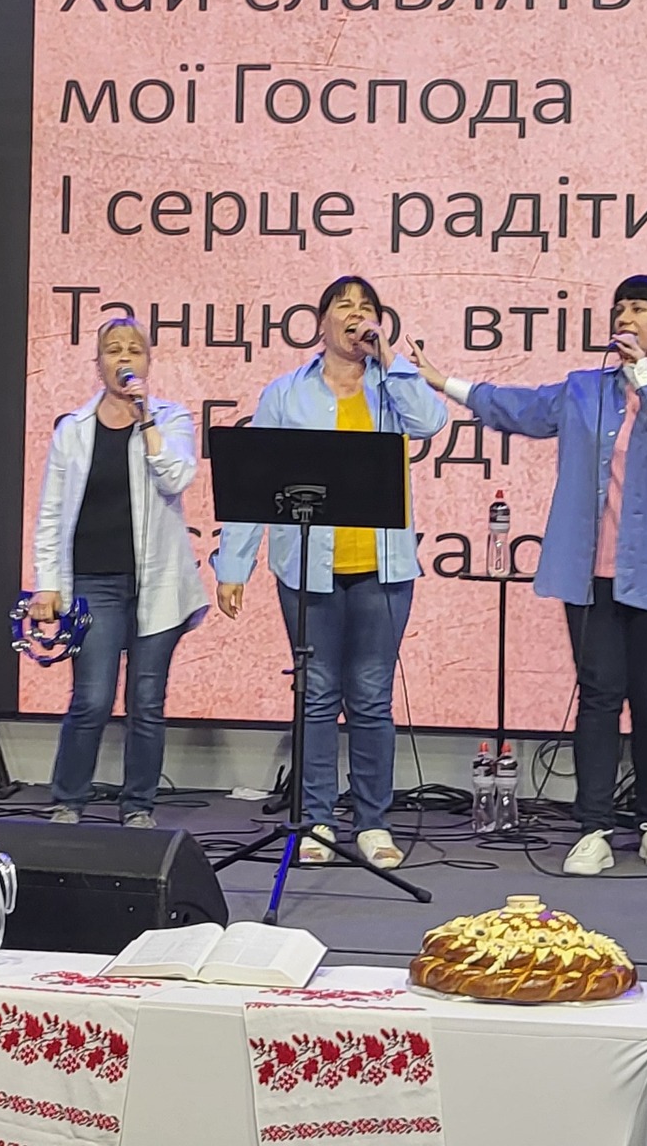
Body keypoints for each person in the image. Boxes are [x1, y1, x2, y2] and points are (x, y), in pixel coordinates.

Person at [421, 275, 647, 876]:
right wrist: (446, 383)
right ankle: (593, 828)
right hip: (591, 574)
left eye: (638, 308)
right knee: (598, 696)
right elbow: (521, 408)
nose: (624, 317)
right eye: (619, 308)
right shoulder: (586, 389)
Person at [211, 276, 446, 870]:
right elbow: (256, 482)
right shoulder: (286, 393)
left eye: (367, 307)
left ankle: (372, 822)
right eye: (345, 306)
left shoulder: (391, 386)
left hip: (382, 568)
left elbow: (430, 422)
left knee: (370, 698)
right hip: (307, 568)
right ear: (321, 323)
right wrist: (234, 564)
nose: (357, 314)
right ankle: (316, 819)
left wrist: (392, 360)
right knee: (315, 697)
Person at [30, 317, 203, 828]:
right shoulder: (73, 430)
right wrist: (47, 583)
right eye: (113, 350)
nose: (124, 358)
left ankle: (138, 806)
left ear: (148, 361)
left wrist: (146, 422)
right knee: (92, 698)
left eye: (134, 350)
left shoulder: (171, 419)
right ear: (98, 363)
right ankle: (68, 800)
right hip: (93, 582)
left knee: (146, 702)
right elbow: (51, 512)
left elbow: (177, 477)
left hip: (157, 584)